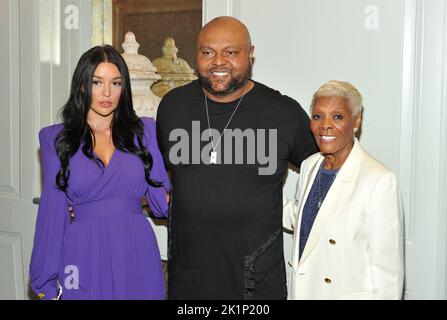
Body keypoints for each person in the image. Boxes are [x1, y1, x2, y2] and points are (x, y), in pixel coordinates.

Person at [156, 16, 317, 299]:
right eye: (208, 52)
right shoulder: (172, 107)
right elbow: (158, 174)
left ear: (250, 54)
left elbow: (326, 170)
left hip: (256, 280)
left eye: (231, 52)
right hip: (190, 280)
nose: (218, 61)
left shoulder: (283, 112)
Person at [29, 45, 170, 300]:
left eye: (115, 83)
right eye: (97, 82)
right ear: (82, 85)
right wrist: (46, 281)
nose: (107, 92)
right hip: (82, 252)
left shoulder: (144, 131)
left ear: (123, 88)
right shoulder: (56, 139)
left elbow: (162, 203)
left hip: (136, 249)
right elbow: (52, 214)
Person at [283, 80, 404, 299]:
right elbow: (303, 217)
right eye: (318, 116)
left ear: (356, 121)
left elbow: (387, 277)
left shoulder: (380, 180)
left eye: (337, 116)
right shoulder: (311, 164)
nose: (325, 125)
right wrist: (253, 190)